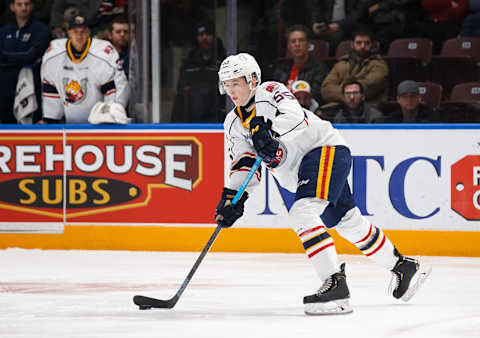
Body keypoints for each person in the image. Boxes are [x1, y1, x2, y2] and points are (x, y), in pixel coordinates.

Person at [214, 52, 431, 315]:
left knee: (302, 212)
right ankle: (403, 267)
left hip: (322, 149)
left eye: (236, 82)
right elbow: (244, 162)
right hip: (301, 171)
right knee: (348, 222)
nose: (231, 90)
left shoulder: (270, 91)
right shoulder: (233, 123)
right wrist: (232, 197)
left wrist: (267, 129)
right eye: (226, 84)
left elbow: (296, 117)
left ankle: (335, 285)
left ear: (252, 80)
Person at [40, 14, 129, 123]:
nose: (79, 35)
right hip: (69, 126)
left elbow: (117, 90)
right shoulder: (53, 56)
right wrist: (50, 120)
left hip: (100, 126)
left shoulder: (103, 55)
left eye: (83, 31)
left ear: (88, 33)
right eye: (75, 31)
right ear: (68, 32)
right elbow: (51, 92)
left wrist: (111, 118)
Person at [0, 0, 50, 123]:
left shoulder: (41, 29)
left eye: (27, 4)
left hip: (33, 82)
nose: (23, 8)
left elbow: (32, 56)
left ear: (32, 6)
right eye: (19, 4)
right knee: (7, 121)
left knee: (30, 120)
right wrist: (22, 57)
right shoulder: (4, 31)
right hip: (6, 84)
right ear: (12, 7)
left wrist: (6, 57)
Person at [171, 22, 226, 122]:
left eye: (208, 34)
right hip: (193, 124)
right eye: (201, 34)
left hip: (218, 123)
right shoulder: (188, 65)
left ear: (214, 37)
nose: (204, 37)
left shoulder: (223, 63)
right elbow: (180, 98)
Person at [321, 28, 389, 107]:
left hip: (369, 108)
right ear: (352, 45)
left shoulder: (380, 65)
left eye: (367, 43)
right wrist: (351, 93)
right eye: (359, 43)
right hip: (339, 107)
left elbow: (367, 88)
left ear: (372, 45)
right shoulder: (342, 64)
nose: (363, 46)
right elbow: (326, 90)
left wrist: (342, 89)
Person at [265, 25, 329, 106]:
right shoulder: (281, 68)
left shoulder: (319, 68)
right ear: (288, 46)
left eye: (301, 40)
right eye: (293, 41)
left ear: (308, 44)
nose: (297, 44)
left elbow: (316, 96)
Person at [318, 78, 385, 123]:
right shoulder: (338, 117)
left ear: (362, 96)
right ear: (343, 97)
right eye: (348, 94)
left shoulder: (375, 116)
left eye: (355, 93)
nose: (352, 97)